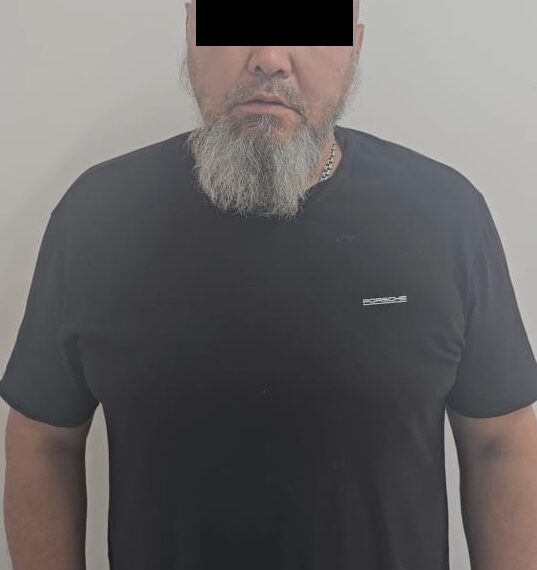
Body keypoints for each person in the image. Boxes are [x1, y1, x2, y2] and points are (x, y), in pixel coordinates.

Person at [2, 0, 537, 568]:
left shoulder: (444, 216)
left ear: (355, 48)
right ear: (190, 31)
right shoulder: (98, 217)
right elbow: (44, 439)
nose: (270, 59)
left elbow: (499, 442)